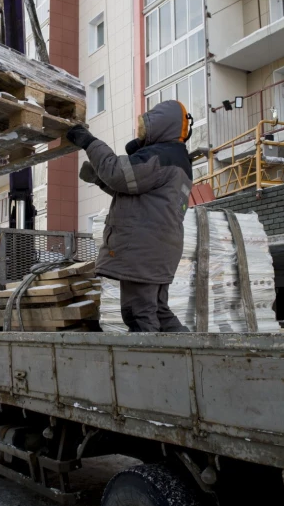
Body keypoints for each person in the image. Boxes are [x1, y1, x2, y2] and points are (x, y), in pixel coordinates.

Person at [66, 100, 194, 333]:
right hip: (158, 250)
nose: (141, 132)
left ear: (160, 126)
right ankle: (187, 357)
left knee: (138, 314)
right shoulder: (177, 159)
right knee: (157, 311)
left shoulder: (160, 156)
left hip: (143, 250)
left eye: (145, 127)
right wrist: (98, 179)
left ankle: (152, 365)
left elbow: (117, 174)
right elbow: (135, 192)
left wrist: (88, 142)